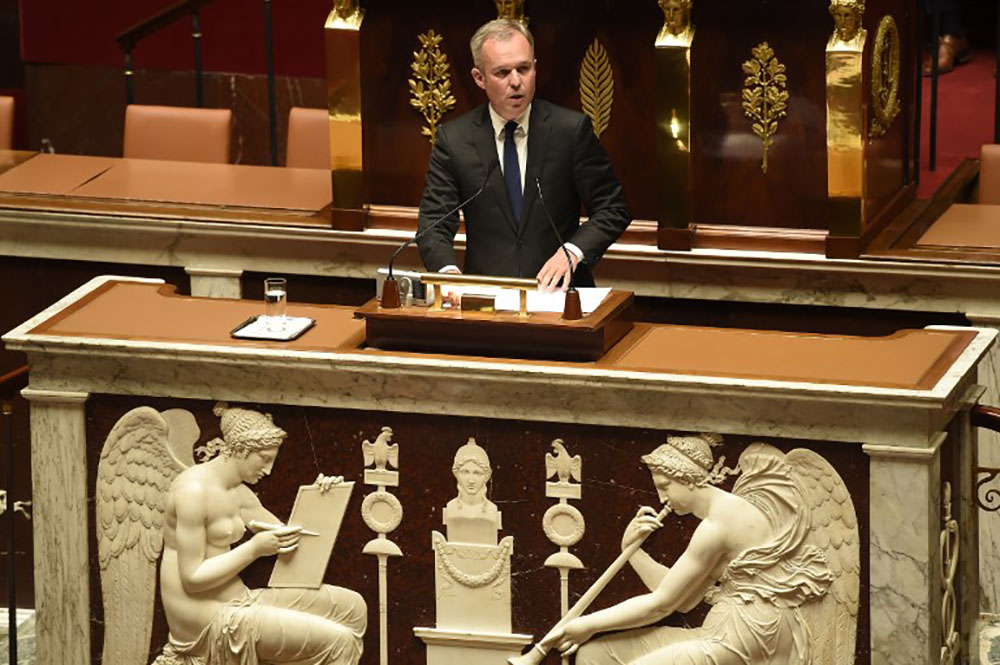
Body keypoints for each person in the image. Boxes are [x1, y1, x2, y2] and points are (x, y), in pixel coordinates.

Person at [551, 435, 837, 665]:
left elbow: (663, 604)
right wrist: (633, 552)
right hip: (726, 629)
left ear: (687, 478)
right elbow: (684, 598)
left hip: (748, 636)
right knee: (594, 655)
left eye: (665, 486)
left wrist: (588, 624)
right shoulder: (724, 515)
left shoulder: (717, 524)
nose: (663, 498)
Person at [416, 19, 631, 291]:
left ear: (535, 68)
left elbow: (613, 208)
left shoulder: (570, 131)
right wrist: (448, 276)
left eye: (524, 69)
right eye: (502, 73)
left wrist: (573, 251)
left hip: (561, 295)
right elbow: (433, 223)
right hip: (486, 297)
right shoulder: (454, 140)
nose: (516, 82)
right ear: (479, 78)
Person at [158, 403, 367, 665]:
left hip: (237, 600)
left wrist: (321, 496)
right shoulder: (193, 492)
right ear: (242, 449)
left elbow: (288, 535)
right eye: (264, 459)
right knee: (340, 642)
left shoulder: (238, 493)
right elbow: (192, 578)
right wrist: (254, 549)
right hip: (203, 620)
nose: (268, 470)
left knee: (353, 608)